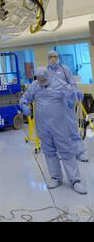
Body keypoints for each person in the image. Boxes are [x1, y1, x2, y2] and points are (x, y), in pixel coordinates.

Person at [20, 67, 87, 195]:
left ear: (48, 77)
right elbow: (25, 98)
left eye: (43, 79)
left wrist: (75, 95)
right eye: (39, 80)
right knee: (49, 151)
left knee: (66, 151)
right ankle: (56, 178)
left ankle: (75, 180)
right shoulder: (34, 86)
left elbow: (72, 94)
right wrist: (23, 105)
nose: (41, 82)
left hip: (59, 126)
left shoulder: (59, 84)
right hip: (43, 127)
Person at [48, 50, 89, 162]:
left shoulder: (64, 69)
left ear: (58, 57)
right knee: (58, 130)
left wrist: (75, 93)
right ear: (48, 58)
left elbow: (72, 84)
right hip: (53, 104)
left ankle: (80, 152)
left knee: (72, 128)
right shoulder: (46, 71)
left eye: (55, 56)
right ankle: (63, 152)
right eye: (51, 56)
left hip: (67, 102)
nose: (53, 58)